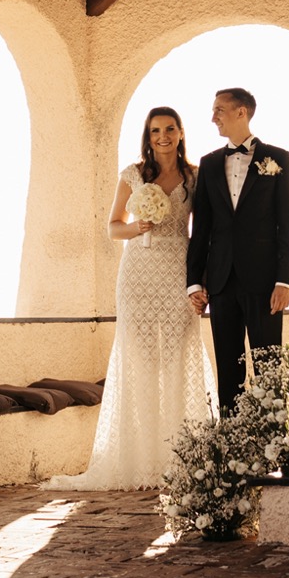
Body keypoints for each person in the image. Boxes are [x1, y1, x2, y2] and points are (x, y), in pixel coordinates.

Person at [52, 106, 213, 489]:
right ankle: (140, 458)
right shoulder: (133, 174)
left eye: (170, 129)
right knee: (140, 359)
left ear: (180, 132)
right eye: (156, 130)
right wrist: (137, 227)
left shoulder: (195, 176)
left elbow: (204, 233)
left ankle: (182, 455)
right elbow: (112, 227)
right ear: (148, 135)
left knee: (178, 354)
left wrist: (200, 282)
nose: (163, 136)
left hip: (178, 268)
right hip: (138, 272)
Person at [186, 87, 289, 414]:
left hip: (265, 282)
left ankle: (274, 438)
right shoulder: (208, 164)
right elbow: (201, 228)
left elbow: (288, 224)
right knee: (228, 370)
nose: (213, 118)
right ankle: (232, 441)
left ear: (241, 112)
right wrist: (194, 282)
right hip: (221, 282)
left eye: (219, 110)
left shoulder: (278, 158)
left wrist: (285, 281)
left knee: (269, 368)